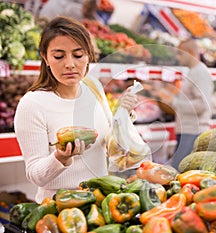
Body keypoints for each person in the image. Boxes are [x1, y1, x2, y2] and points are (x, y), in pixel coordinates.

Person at [14, 16, 137, 203]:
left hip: (100, 201)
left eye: (78, 55)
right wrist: (60, 158)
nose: (70, 64)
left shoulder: (93, 87)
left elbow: (110, 147)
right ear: (45, 57)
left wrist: (123, 116)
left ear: (89, 56)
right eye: (59, 56)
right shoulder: (32, 104)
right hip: (59, 208)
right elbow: (34, 175)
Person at [156, 38, 214, 170]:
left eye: (180, 53)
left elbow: (202, 105)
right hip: (187, 130)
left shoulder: (200, 73)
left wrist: (173, 102)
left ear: (190, 52)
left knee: (179, 171)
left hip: (194, 131)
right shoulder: (193, 72)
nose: (177, 57)